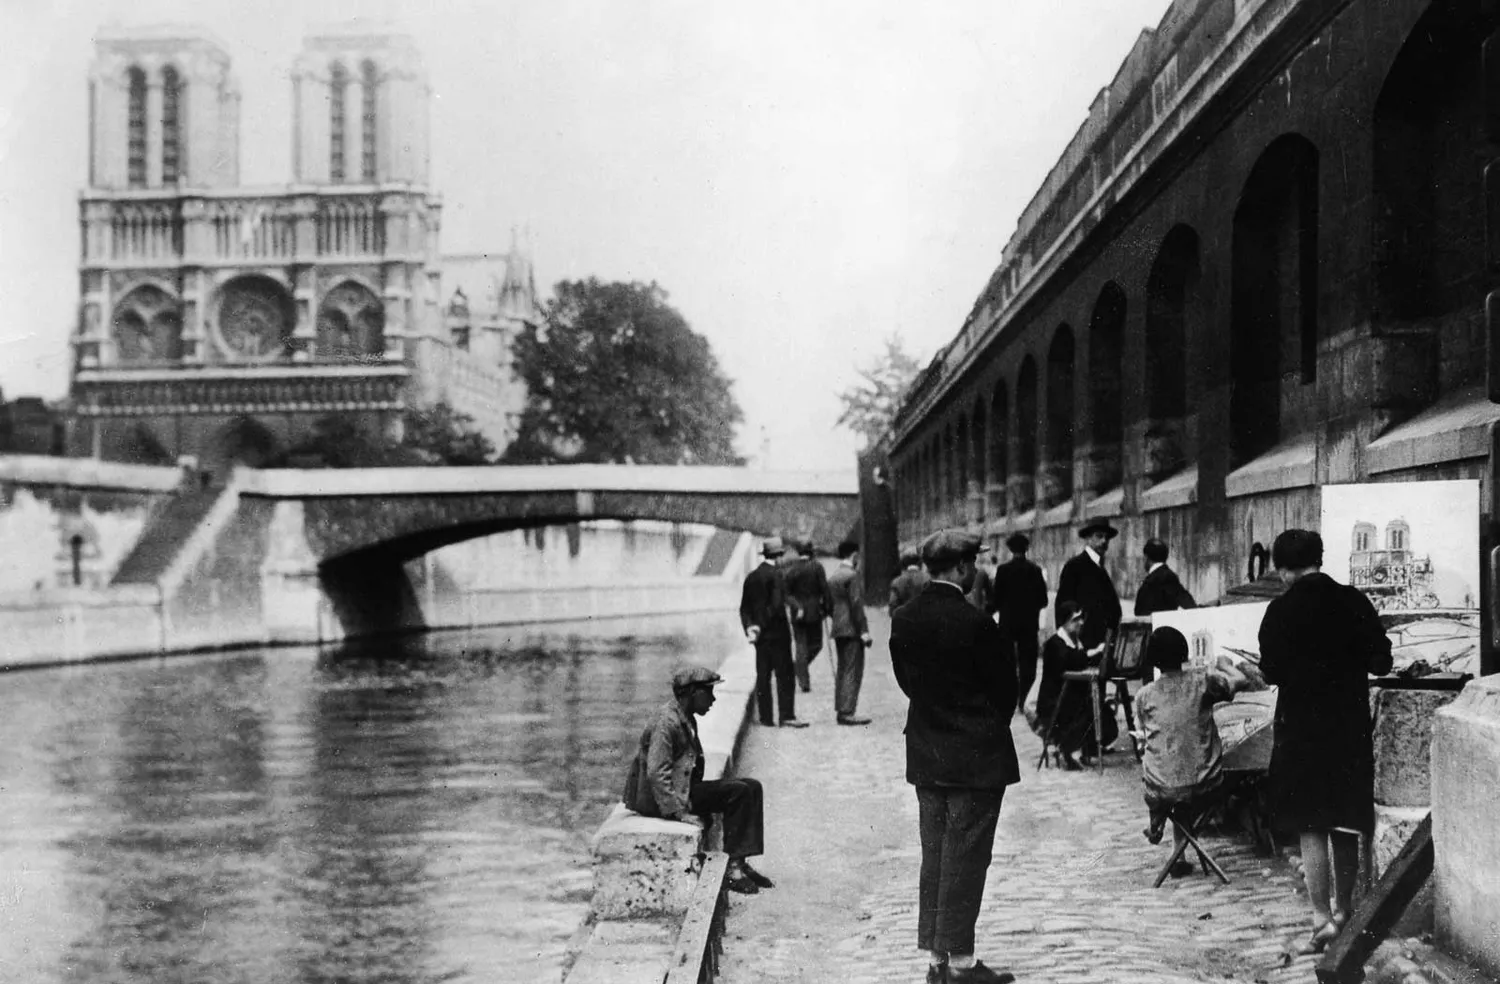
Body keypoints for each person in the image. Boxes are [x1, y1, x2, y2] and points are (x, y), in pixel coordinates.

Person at [890, 529, 1018, 984]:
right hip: (977, 758)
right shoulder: (979, 623)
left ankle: (936, 961)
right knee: (967, 857)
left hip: (927, 754)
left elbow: (907, 682)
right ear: (963, 567)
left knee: (936, 856)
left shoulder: (904, 619)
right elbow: (1006, 692)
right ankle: (961, 963)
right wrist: (979, 724)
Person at [1258, 529, 1393, 954]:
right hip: (1347, 727)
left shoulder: (1279, 611)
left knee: (1310, 823)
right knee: (1345, 820)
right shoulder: (1354, 602)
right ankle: (1345, 909)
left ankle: (1319, 918)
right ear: (1319, 557)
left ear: (1282, 568)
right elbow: (1382, 659)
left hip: (1300, 731)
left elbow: (1271, 672)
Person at [621, 664, 775, 895]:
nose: (712, 699)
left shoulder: (683, 717)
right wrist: (677, 812)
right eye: (708, 693)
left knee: (751, 787)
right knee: (738, 792)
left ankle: (740, 861)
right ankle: (732, 868)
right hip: (661, 801)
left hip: (682, 789)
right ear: (693, 693)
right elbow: (656, 772)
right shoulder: (667, 723)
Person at [1135, 626, 1253, 877]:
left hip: (1161, 789)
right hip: (1205, 784)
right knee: (1193, 766)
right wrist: (1225, 664)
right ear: (1184, 653)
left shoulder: (1145, 695)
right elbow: (1242, 682)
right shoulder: (1202, 683)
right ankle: (1178, 847)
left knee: (1162, 761)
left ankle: (1159, 828)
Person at [1034, 600, 1117, 770]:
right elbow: (1070, 660)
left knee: (1104, 714)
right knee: (1088, 712)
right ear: (1064, 622)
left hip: (1071, 699)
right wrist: (1093, 653)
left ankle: (1084, 748)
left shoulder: (1076, 642)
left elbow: (1081, 659)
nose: (1080, 623)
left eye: (1081, 619)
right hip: (1055, 702)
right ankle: (1069, 748)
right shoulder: (1054, 644)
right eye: (1075, 619)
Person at [740, 536, 807, 728]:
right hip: (777, 634)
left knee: (763, 677)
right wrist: (762, 624)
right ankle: (786, 716)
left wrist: (750, 628)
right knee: (784, 675)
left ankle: (766, 718)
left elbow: (744, 608)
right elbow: (777, 605)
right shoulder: (777, 575)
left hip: (760, 639)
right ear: (778, 556)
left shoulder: (751, 577)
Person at [992, 532, 1048, 712]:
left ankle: (1009, 699)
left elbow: (995, 600)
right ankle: (1024, 700)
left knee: (1007, 662)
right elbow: (1044, 600)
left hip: (1008, 624)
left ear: (1010, 550)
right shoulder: (1035, 570)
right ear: (1026, 549)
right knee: (1028, 664)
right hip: (1029, 625)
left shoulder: (1002, 570)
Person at [1056, 520, 1123, 652]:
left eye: (1107, 538)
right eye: (1099, 536)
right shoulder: (1074, 566)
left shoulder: (1101, 568)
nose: (1104, 541)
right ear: (1088, 538)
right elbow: (1063, 605)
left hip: (1101, 643)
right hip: (1083, 643)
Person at [827, 539, 874, 725]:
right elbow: (856, 604)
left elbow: (830, 605)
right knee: (852, 669)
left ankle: (842, 708)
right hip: (852, 628)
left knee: (842, 668)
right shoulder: (852, 576)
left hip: (838, 628)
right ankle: (847, 711)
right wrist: (864, 631)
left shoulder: (834, 576)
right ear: (854, 555)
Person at [784, 540, 834, 693]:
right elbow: (825, 589)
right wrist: (828, 609)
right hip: (814, 613)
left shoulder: (791, 570)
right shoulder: (817, 567)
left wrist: (797, 606)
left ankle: (800, 672)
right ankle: (800, 672)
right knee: (816, 645)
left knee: (800, 645)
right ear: (811, 552)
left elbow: (786, 594)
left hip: (797, 614)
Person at [1133, 538, 1197, 616]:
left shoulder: (1155, 580)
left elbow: (1140, 612)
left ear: (1146, 558)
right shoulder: (1169, 577)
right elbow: (1188, 603)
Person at [889, 550, 930, 615]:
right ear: (920, 564)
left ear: (903, 565)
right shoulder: (929, 579)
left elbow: (893, 605)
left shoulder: (897, 582)